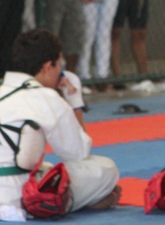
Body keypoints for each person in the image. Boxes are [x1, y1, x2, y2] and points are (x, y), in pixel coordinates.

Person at [0, 29, 120, 220]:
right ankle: (66, 203)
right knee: (106, 168)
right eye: (59, 66)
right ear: (48, 67)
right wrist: (74, 102)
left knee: (45, 166)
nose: (60, 73)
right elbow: (78, 153)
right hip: (19, 196)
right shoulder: (46, 97)